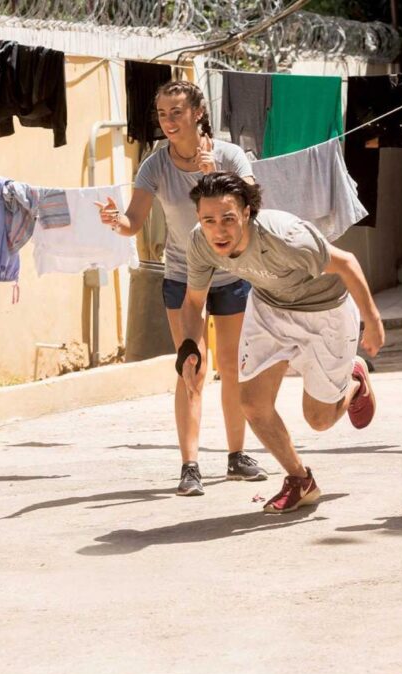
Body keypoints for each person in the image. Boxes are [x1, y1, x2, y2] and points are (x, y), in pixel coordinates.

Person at [179, 172, 383, 513]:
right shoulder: (201, 242)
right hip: (269, 308)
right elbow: (193, 303)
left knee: (319, 420)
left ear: (246, 213)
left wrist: (372, 321)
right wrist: (188, 349)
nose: (219, 230)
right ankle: (300, 479)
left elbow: (347, 264)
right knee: (252, 403)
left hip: (326, 312)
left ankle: (354, 381)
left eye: (228, 218)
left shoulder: (285, 236)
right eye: (208, 220)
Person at [97, 80, 265, 496]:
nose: (168, 122)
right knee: (192, 366)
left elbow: (252, 206)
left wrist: (214, 175)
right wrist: (115, 221)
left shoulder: (229, 154)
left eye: (176, 112)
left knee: (232, 366)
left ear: (197, 113)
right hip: (183, 274)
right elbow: (134, 223)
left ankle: (236, 456)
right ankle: (190, 466)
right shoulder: (155, 165)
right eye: (162, 114)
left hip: (231, 274)